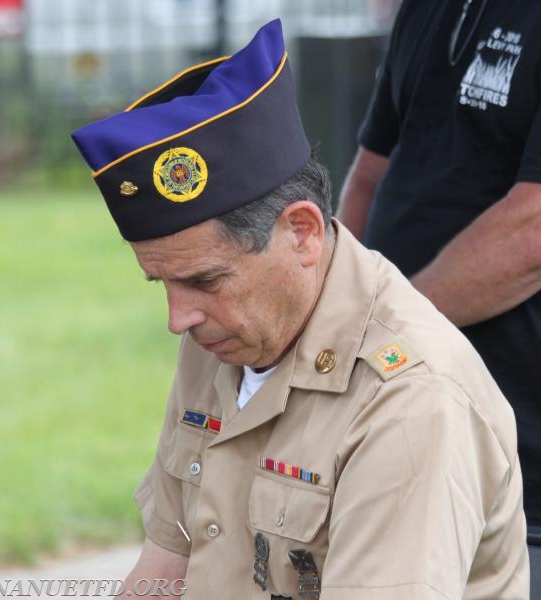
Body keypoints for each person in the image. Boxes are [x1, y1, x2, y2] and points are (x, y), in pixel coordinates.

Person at [72, 19, 529, 600]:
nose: (177, 318)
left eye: (205, 279)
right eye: (160, 281)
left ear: (303, 234)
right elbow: (168, 561)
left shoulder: (411, 400)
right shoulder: (224, 334)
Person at [336, 0, 541, 587]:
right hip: (401, 413)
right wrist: (327, 308)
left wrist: (381, 330)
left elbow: (533, 232)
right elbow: (373, 171)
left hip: (521, 449)